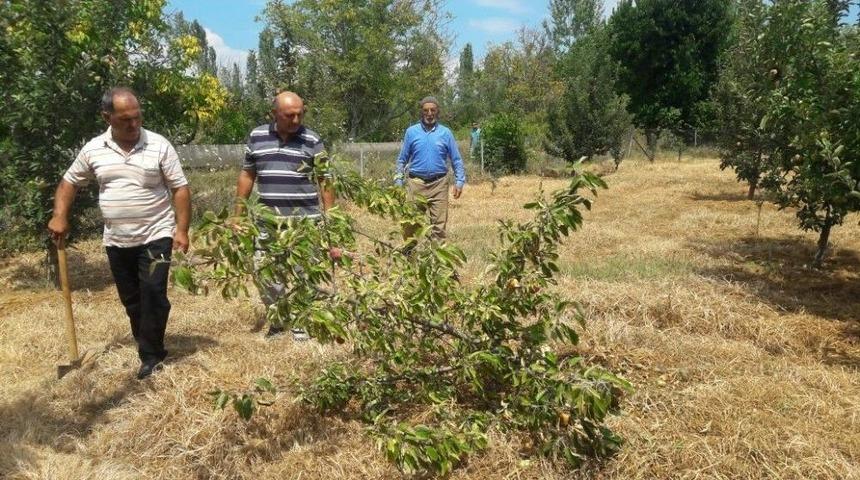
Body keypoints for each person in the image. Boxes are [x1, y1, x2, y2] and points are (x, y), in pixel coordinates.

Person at [47, 87, 191, 380]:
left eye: (137, 117)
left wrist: (182, 229)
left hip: (156, 232)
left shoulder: (159, 145)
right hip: (116, 239)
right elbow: (68, 184)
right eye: (125, 119)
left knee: (153, 292)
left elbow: (180, 188)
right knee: (132, 300)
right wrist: (59, 215)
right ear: (107, 117)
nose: (133, 124)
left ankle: (152, 355)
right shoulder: (93, 149)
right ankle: (145, 340)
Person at [234, 91, 335, 339]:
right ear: (274, 114)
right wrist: (238, 215)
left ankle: (302, 322)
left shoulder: (312, 140)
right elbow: (248, 175)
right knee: (266, 272)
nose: (296, 119)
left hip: (304, 222)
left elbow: (324, 179)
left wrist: (331, 216)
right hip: (268, 222)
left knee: (304, 272)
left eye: (300, 114)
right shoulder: (257, 137)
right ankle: (278, 321)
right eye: (290, 115)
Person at [395, 96, 466, 239]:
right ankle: (409, 257)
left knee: (438, 227)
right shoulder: (411, 132)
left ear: (437, 111)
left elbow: (456, 160)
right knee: (411, 225)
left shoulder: (446, 133)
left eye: (432, 110)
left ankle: (435, 258)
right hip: (416, 185)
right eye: (426, 110)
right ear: (421, 112)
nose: (429, 113)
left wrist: (459, 182)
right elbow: (402, 160)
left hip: (438, 185)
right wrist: (398, 182)